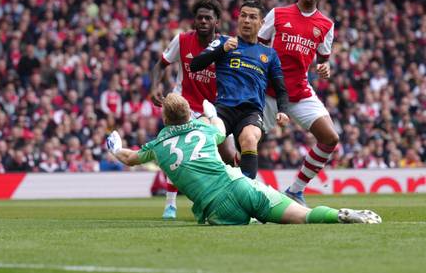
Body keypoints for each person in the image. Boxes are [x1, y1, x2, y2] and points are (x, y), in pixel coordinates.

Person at [106, 93, 381, 226]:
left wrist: (114, 147)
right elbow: (220, 129)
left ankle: (253, 220)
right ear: (188, 113)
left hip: (216, 207)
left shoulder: (158, 145)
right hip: (239, 184)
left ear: (165, 118)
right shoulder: (204, 128)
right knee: (304, 217)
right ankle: (340, 215)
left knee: (248, 227)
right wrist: (210, 111)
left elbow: (129, 158)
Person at [150, 0, 237, 220]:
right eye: (200, 17)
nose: (203, 21)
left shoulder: (226, 45)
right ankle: (170, 205)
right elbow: (160, 65)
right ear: (194, 20)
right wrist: (155, 87)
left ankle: (235, 196)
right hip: (184, 104)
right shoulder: (182, 40)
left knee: (228, 154)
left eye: (208, 17)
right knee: (176, 149)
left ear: (217, 21)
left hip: (214, 108)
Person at [258, 0, 338, 206]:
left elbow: (324, 60)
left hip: (300, 92)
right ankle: (232, 194)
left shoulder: (326, 25)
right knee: (247, 143)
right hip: (269, 92)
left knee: (330, 138)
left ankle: (295, 191)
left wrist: (326, 68)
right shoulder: (279, 14)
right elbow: (257, 45)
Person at [190, 0, 289, 179]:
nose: (246, 20)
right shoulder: (223, 41)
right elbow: (195, 65)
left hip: (250, 112)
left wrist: (283, 111)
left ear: (261, 23)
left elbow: (281, 89)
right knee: (202, 131)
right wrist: (221, 50)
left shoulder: (269, 54)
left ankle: (246, 194)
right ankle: (208, 186)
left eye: (252, 17)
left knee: (250, 140)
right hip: (223, 109)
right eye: (243, 16)